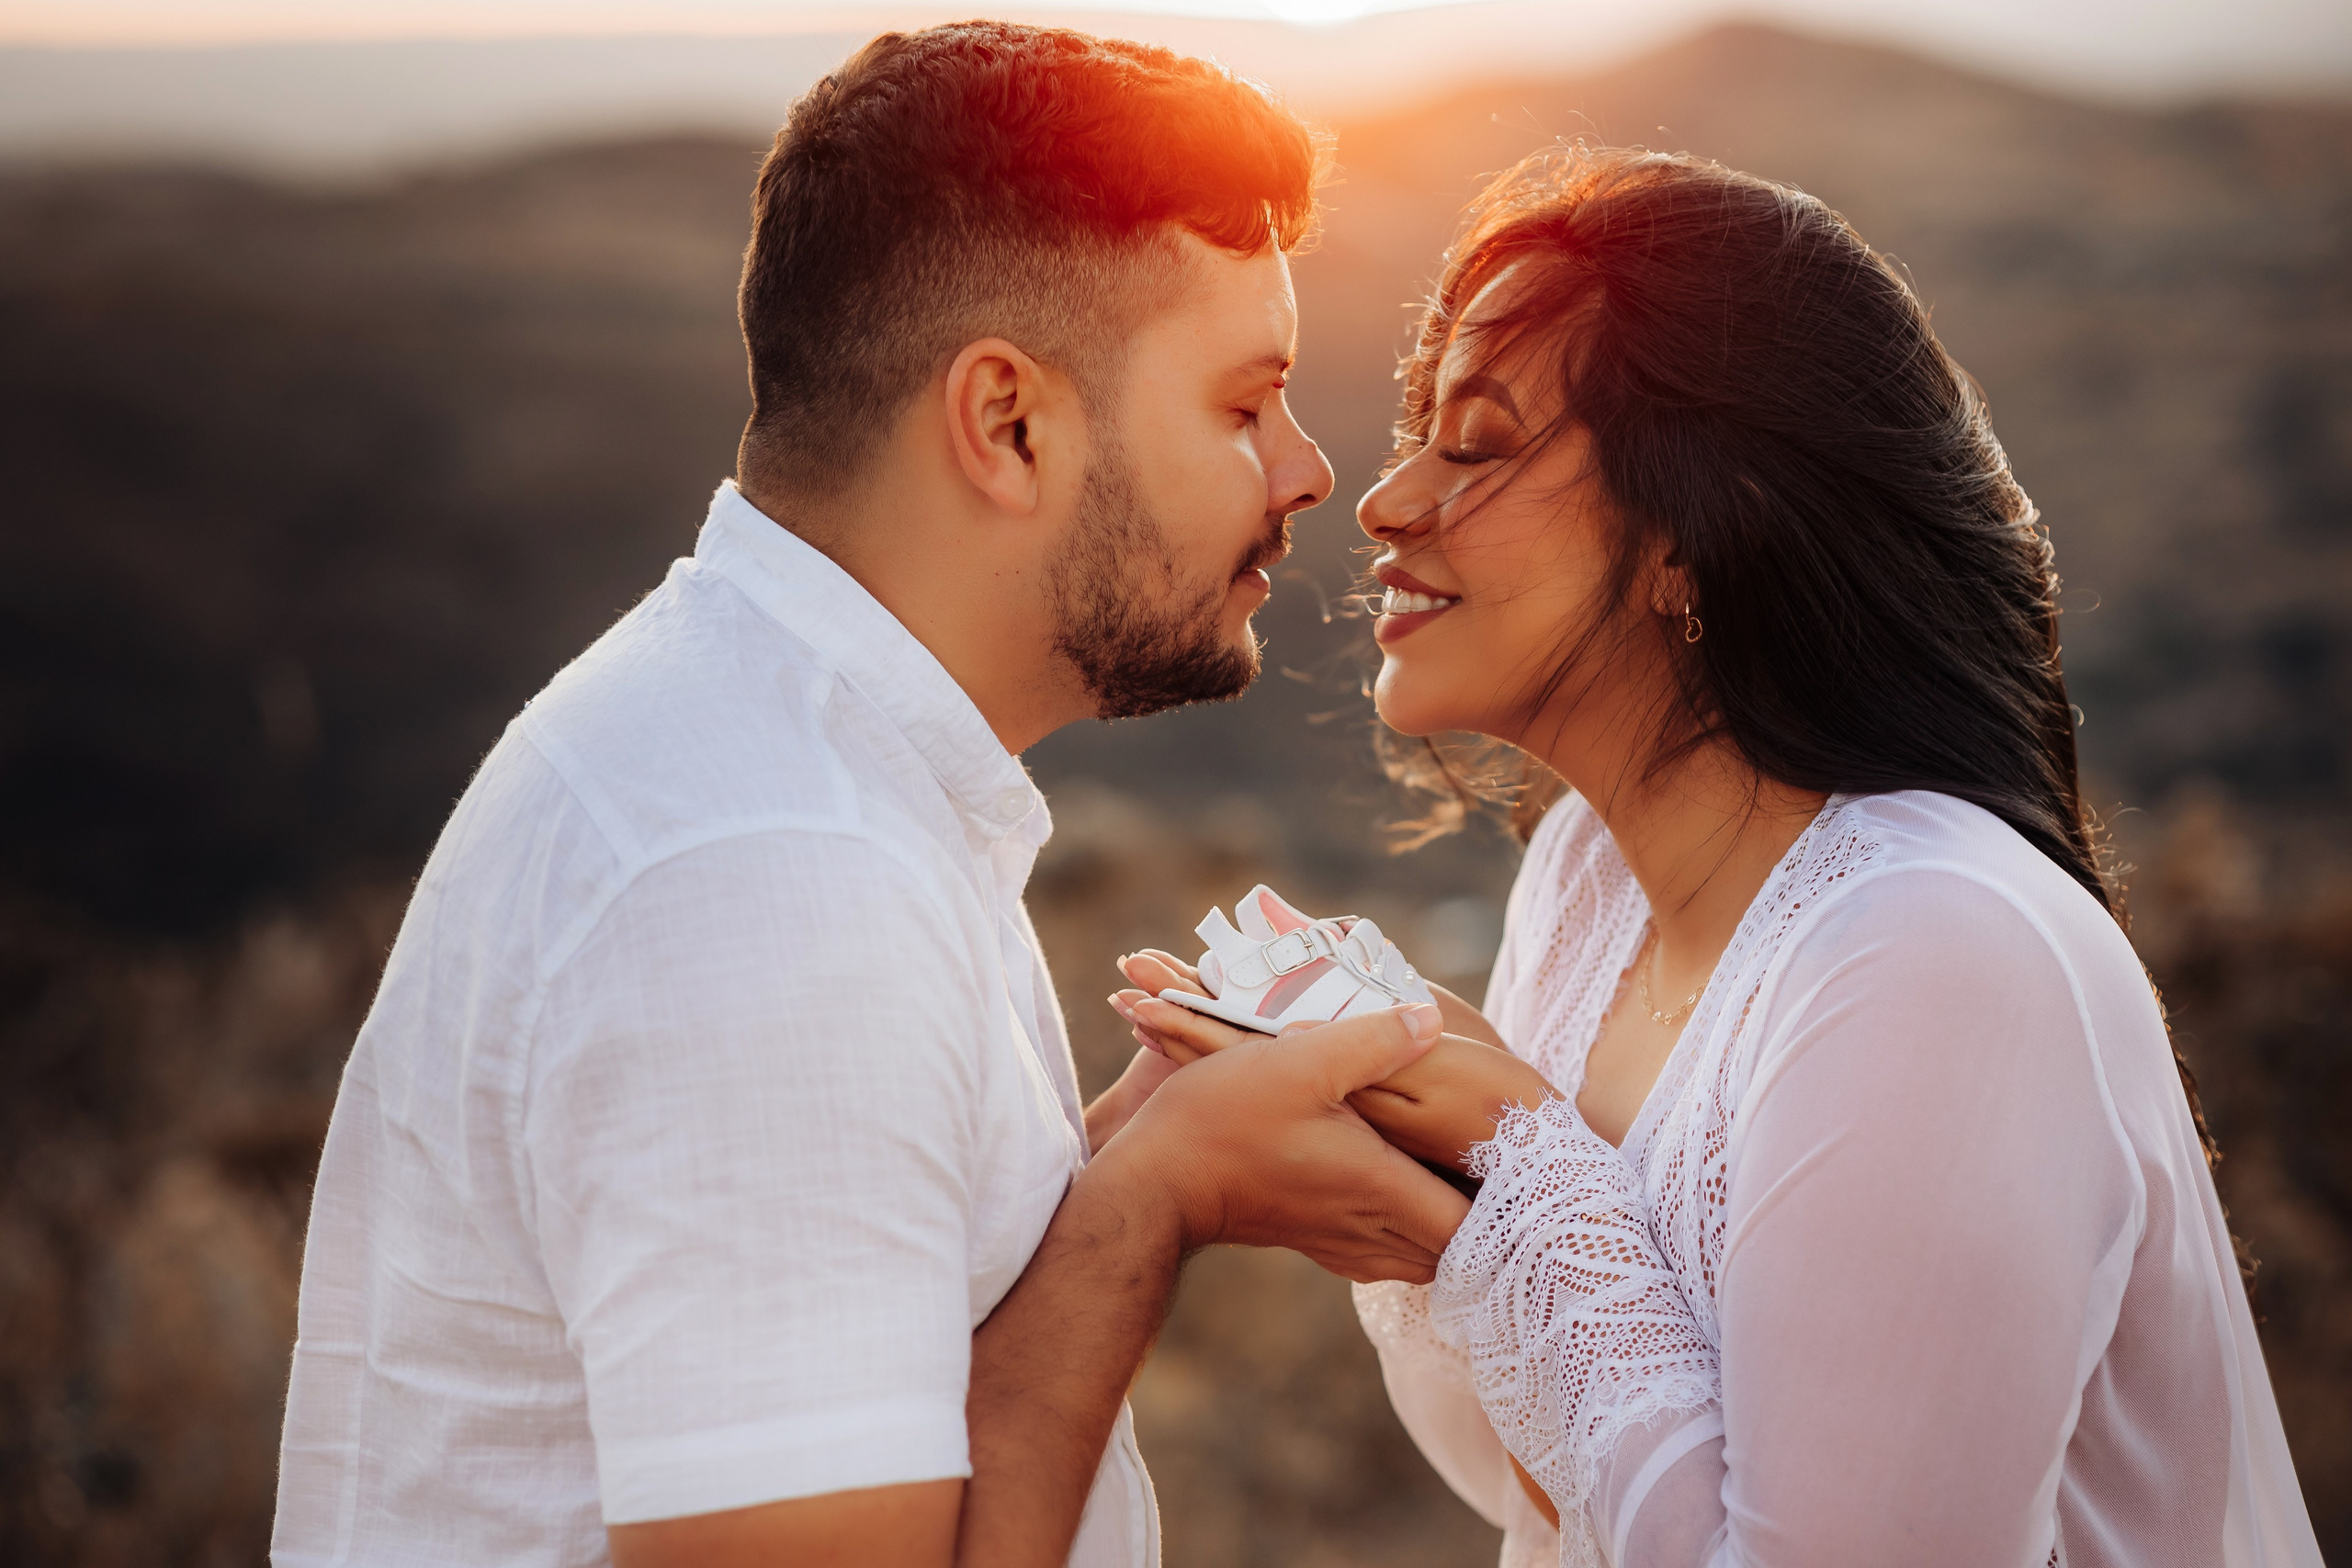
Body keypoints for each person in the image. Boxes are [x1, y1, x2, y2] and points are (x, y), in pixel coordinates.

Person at [270, 24, 1472, 1568]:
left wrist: (1112, 1153)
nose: (1310, 473)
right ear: (1008, 422)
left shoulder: (768, 770)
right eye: (1245, 406)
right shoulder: (769, 883)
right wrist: (1143, 1211)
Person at [1114, 145, 2324, 1567]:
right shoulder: (1581, 880)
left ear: (1700, 524)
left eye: (1479, 442)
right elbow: (1532, 1487)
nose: (1382, 501)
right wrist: (1411, 1194)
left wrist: (1519, 1157)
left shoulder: (1935, 953)